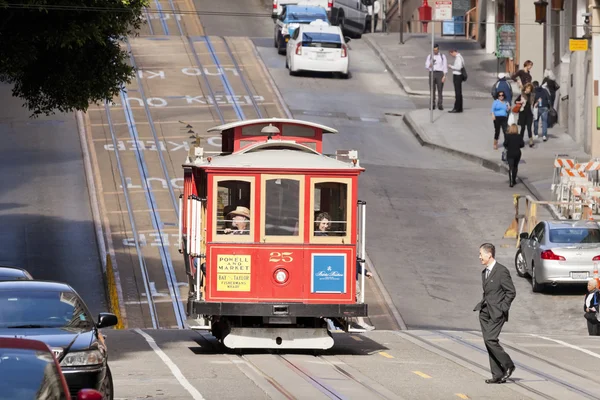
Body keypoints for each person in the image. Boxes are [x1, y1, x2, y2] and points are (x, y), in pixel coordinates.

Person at [473, 243, 516, 384]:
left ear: (489, 254)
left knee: (490, 340)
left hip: (497, 312)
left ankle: (508, 364)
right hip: (485, 312)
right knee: (488, 342)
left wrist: (503, 307)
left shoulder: (501, 271)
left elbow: (511, 291)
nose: (479, 257)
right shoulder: (484, 272)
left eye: (481, 254)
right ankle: (497, 374)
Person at [424, 44, 448, 110]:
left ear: (438, 49)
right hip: (432, 73)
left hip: (440, 73)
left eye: (436, 50)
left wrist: (444, 76)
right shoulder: (430, 56)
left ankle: (440, 104)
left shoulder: (442, 56)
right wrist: (430, 64)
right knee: (432, 89)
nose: (435, 51)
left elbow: (445, 66)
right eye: (434, 50)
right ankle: (432, 104)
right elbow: (426, 65)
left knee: (440, 90)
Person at [355, 259, 374, 331]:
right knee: (357, 301)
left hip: (352, 281)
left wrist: (366, 272)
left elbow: (358, 267)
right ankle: (361, 323)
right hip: (352, 282)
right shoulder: (351, 254)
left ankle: (361, 322)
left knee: (357, 301)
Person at [514, 83, 535, 148]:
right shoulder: (521, 95)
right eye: (527, 88)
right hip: (522, 113)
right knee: (522, 128)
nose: (528, 89)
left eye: (529, 88)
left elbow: (535, 102)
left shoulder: (532, 95)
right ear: (525, 88)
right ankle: (520, 141)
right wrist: (520, 102)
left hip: (530, 113)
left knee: (529, 127)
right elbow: (515, 101)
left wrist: (537, 102)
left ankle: (531, 141)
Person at [448, 49, 465, 113]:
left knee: (457, 93)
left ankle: (457, 108)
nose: (452, 55)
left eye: (451, 54)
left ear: (454, 52)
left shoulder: (458, 58)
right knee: (459, 93)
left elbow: (459, 67)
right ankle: (459, 107)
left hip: (457, 76)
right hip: (458, 75)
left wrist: (451, 66)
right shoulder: (459, 57)